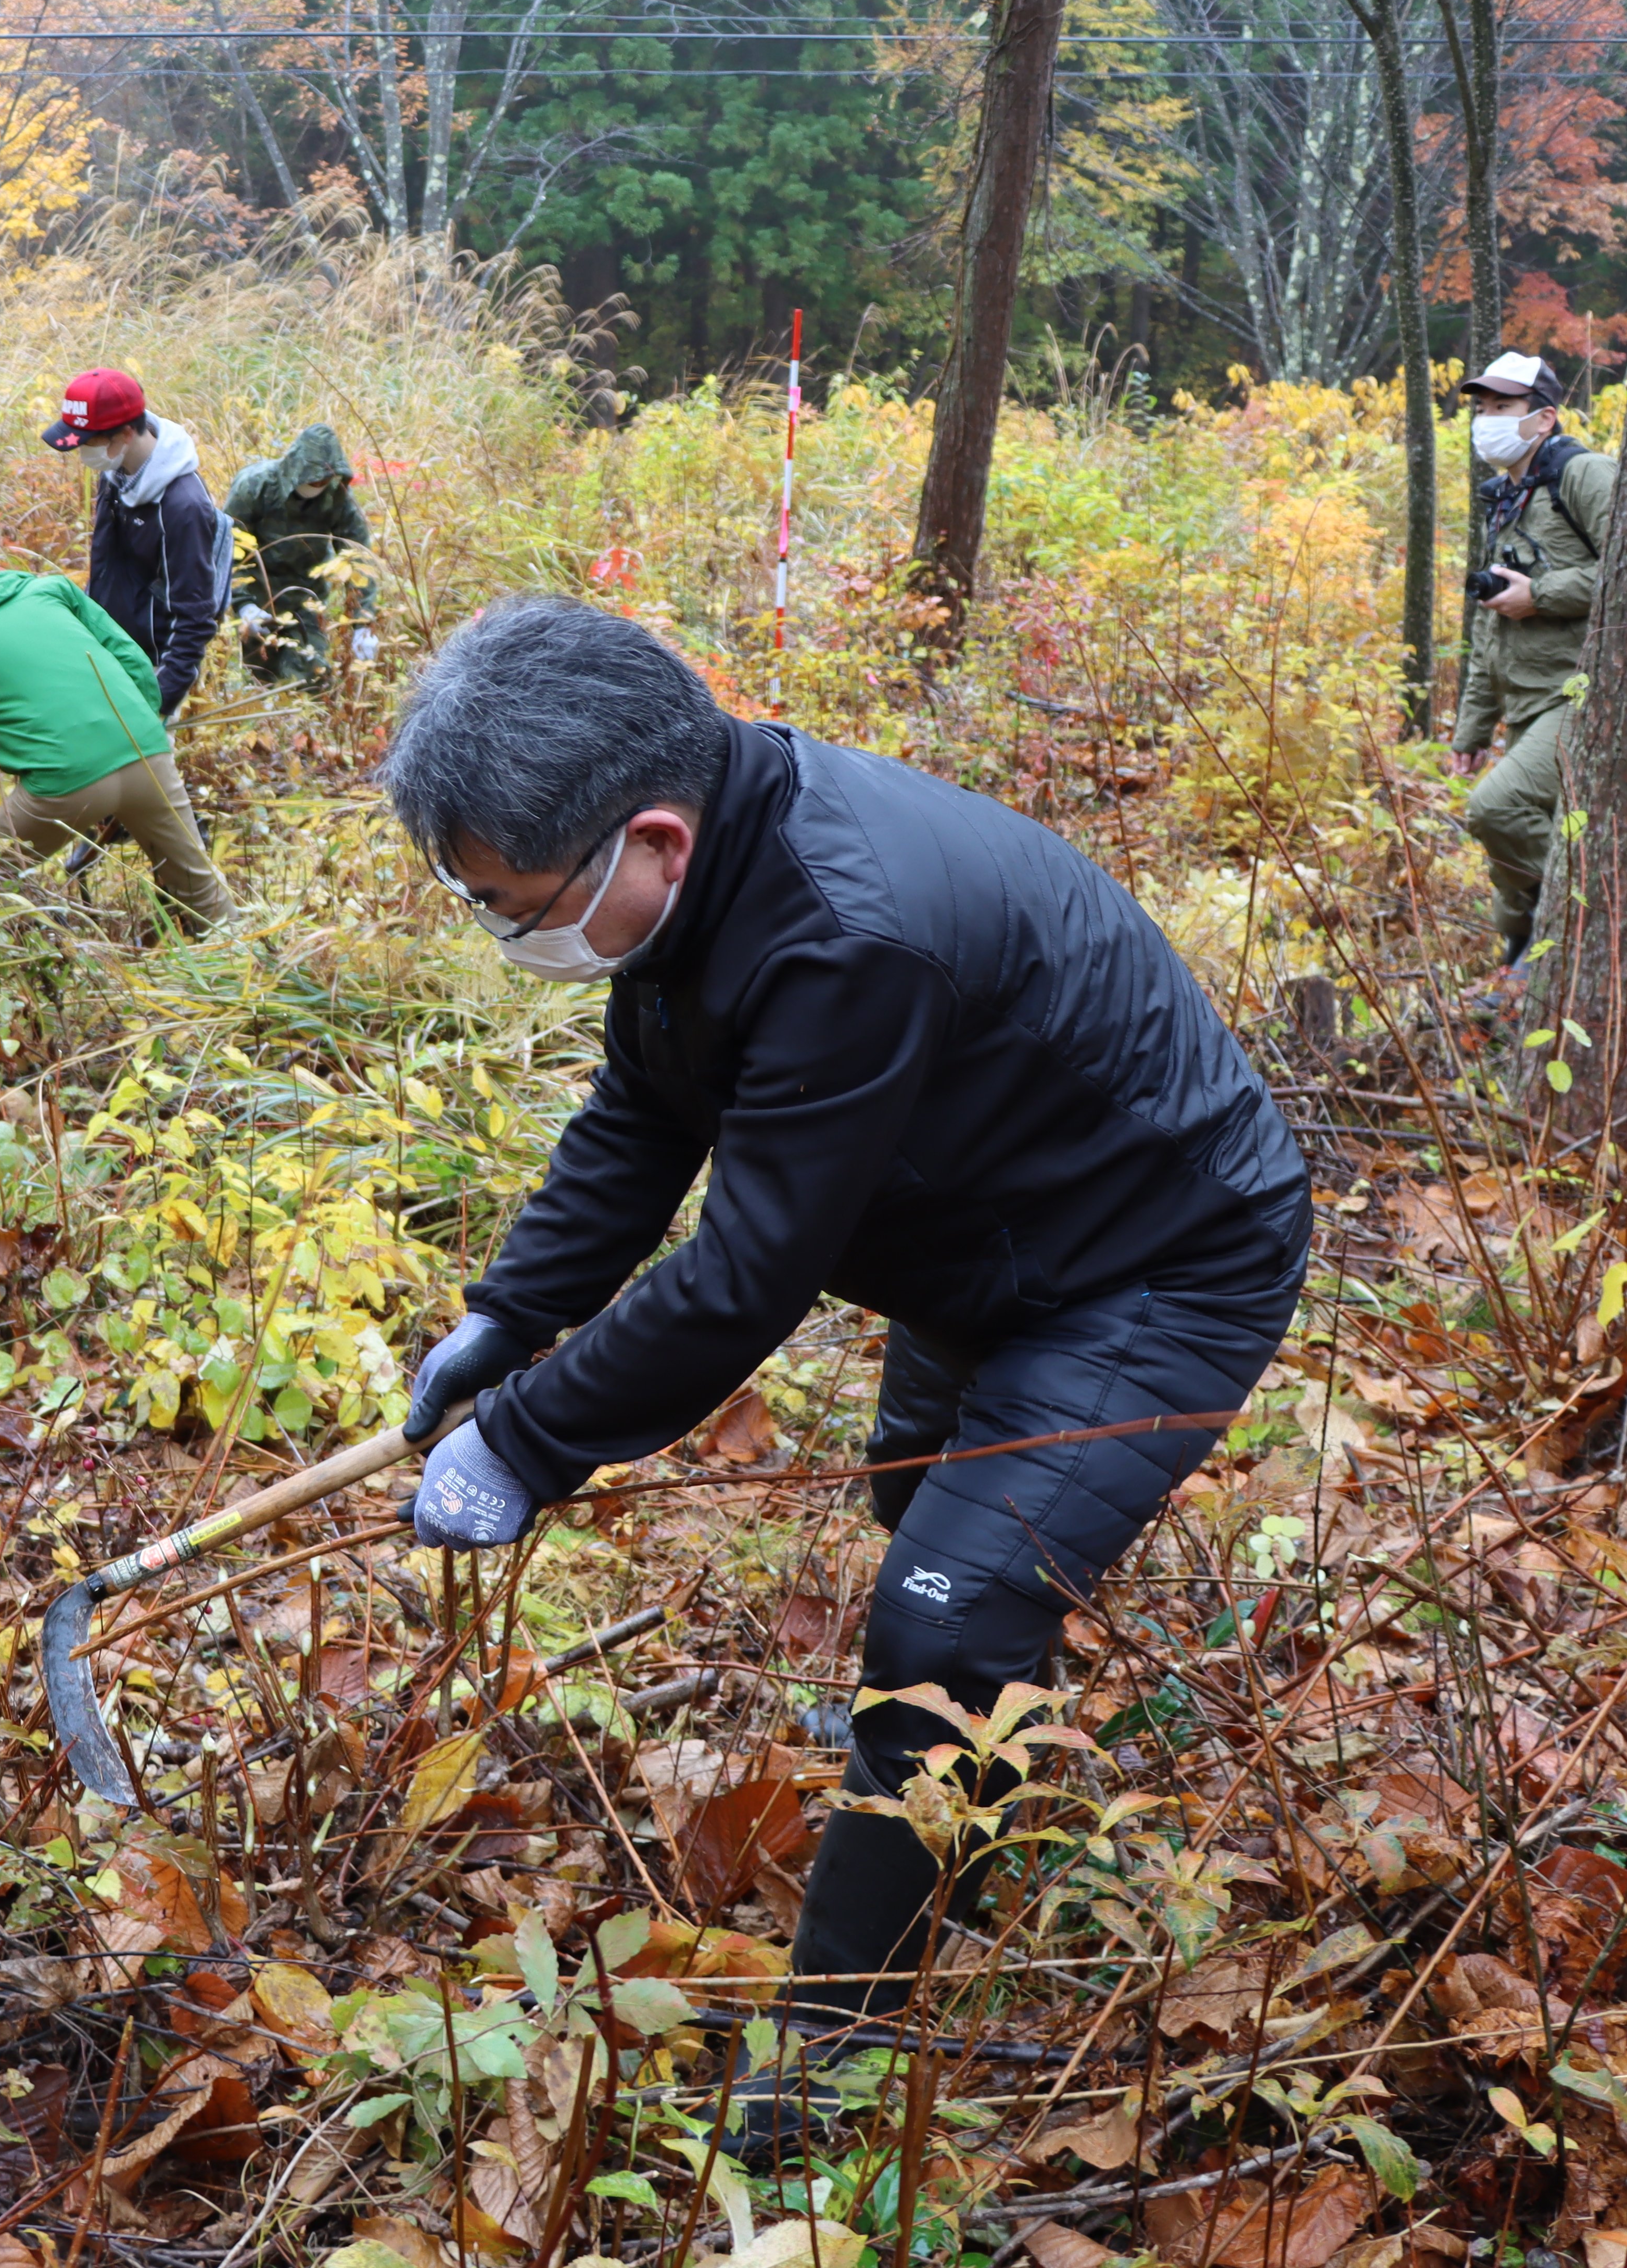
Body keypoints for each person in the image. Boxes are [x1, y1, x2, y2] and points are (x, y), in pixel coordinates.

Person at [375, 597, 1307, 2156]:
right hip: (985, 1237)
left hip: (1154, 1264)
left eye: (509, 900)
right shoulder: (705, 873)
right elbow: (645, 1110)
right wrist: (505, 1316)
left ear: (649, 837)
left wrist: (526, 1443)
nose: (501, 928)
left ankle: (829, 2057)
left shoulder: (842, 927)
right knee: (916, 1513)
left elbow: (745, 1273)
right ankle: (989, 1768)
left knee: (944, 1614)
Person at [0, 541, 234, 931]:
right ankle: (247, 970)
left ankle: (42, 972)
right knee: (200, 888)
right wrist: (144, 726)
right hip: (146, 753)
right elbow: (134, 661)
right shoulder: (49, 590)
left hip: (63, 783)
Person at [1452, 351, 1615, 988]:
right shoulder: (1508, 499)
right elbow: (1492, 624)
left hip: (1581, 692)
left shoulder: (1587, 474)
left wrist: (1541, 595)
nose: (1487, 421)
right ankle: (1523, 970)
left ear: (1544, 417)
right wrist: (1473, 727)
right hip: (1527, 700)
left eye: (1504, 409)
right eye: (1483, 409)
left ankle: (1592, 926)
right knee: (1506, 863)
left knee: (1497, 808)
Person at [44, 368, 227, 719]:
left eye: (88, 442)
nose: (82, 451)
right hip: (105, 655)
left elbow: (196, 617)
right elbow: (106, 568)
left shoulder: (183, 506)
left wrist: (159, 697)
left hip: (148, 673)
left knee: (145, 774)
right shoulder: (115, 474)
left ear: (126, 433)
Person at [223, 423, 377, 688]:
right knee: (262, 680)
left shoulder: (336, 496)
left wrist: (362, 623)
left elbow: (357, 557)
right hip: (258, 594)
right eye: (314, 480)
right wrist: (243, 604)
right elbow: (228, 548)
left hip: (306, 598)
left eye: (325, 480)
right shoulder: (255, 486)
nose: (319, 485)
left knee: (314, 676)